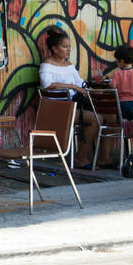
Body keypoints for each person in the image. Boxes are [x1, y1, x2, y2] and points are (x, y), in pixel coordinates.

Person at [38, 28, 98, 168]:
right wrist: (73, 87)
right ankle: (81, 157)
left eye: (69, 47)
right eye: (65, 47)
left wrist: (90, 87)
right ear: (54, 48)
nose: (68, 50)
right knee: (96, 119)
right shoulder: (47, 64)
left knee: (104, 117)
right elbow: (46, 84)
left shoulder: (69, 66)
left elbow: (80, 82)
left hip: (72, 107)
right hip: (56, 109)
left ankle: (102, 158)